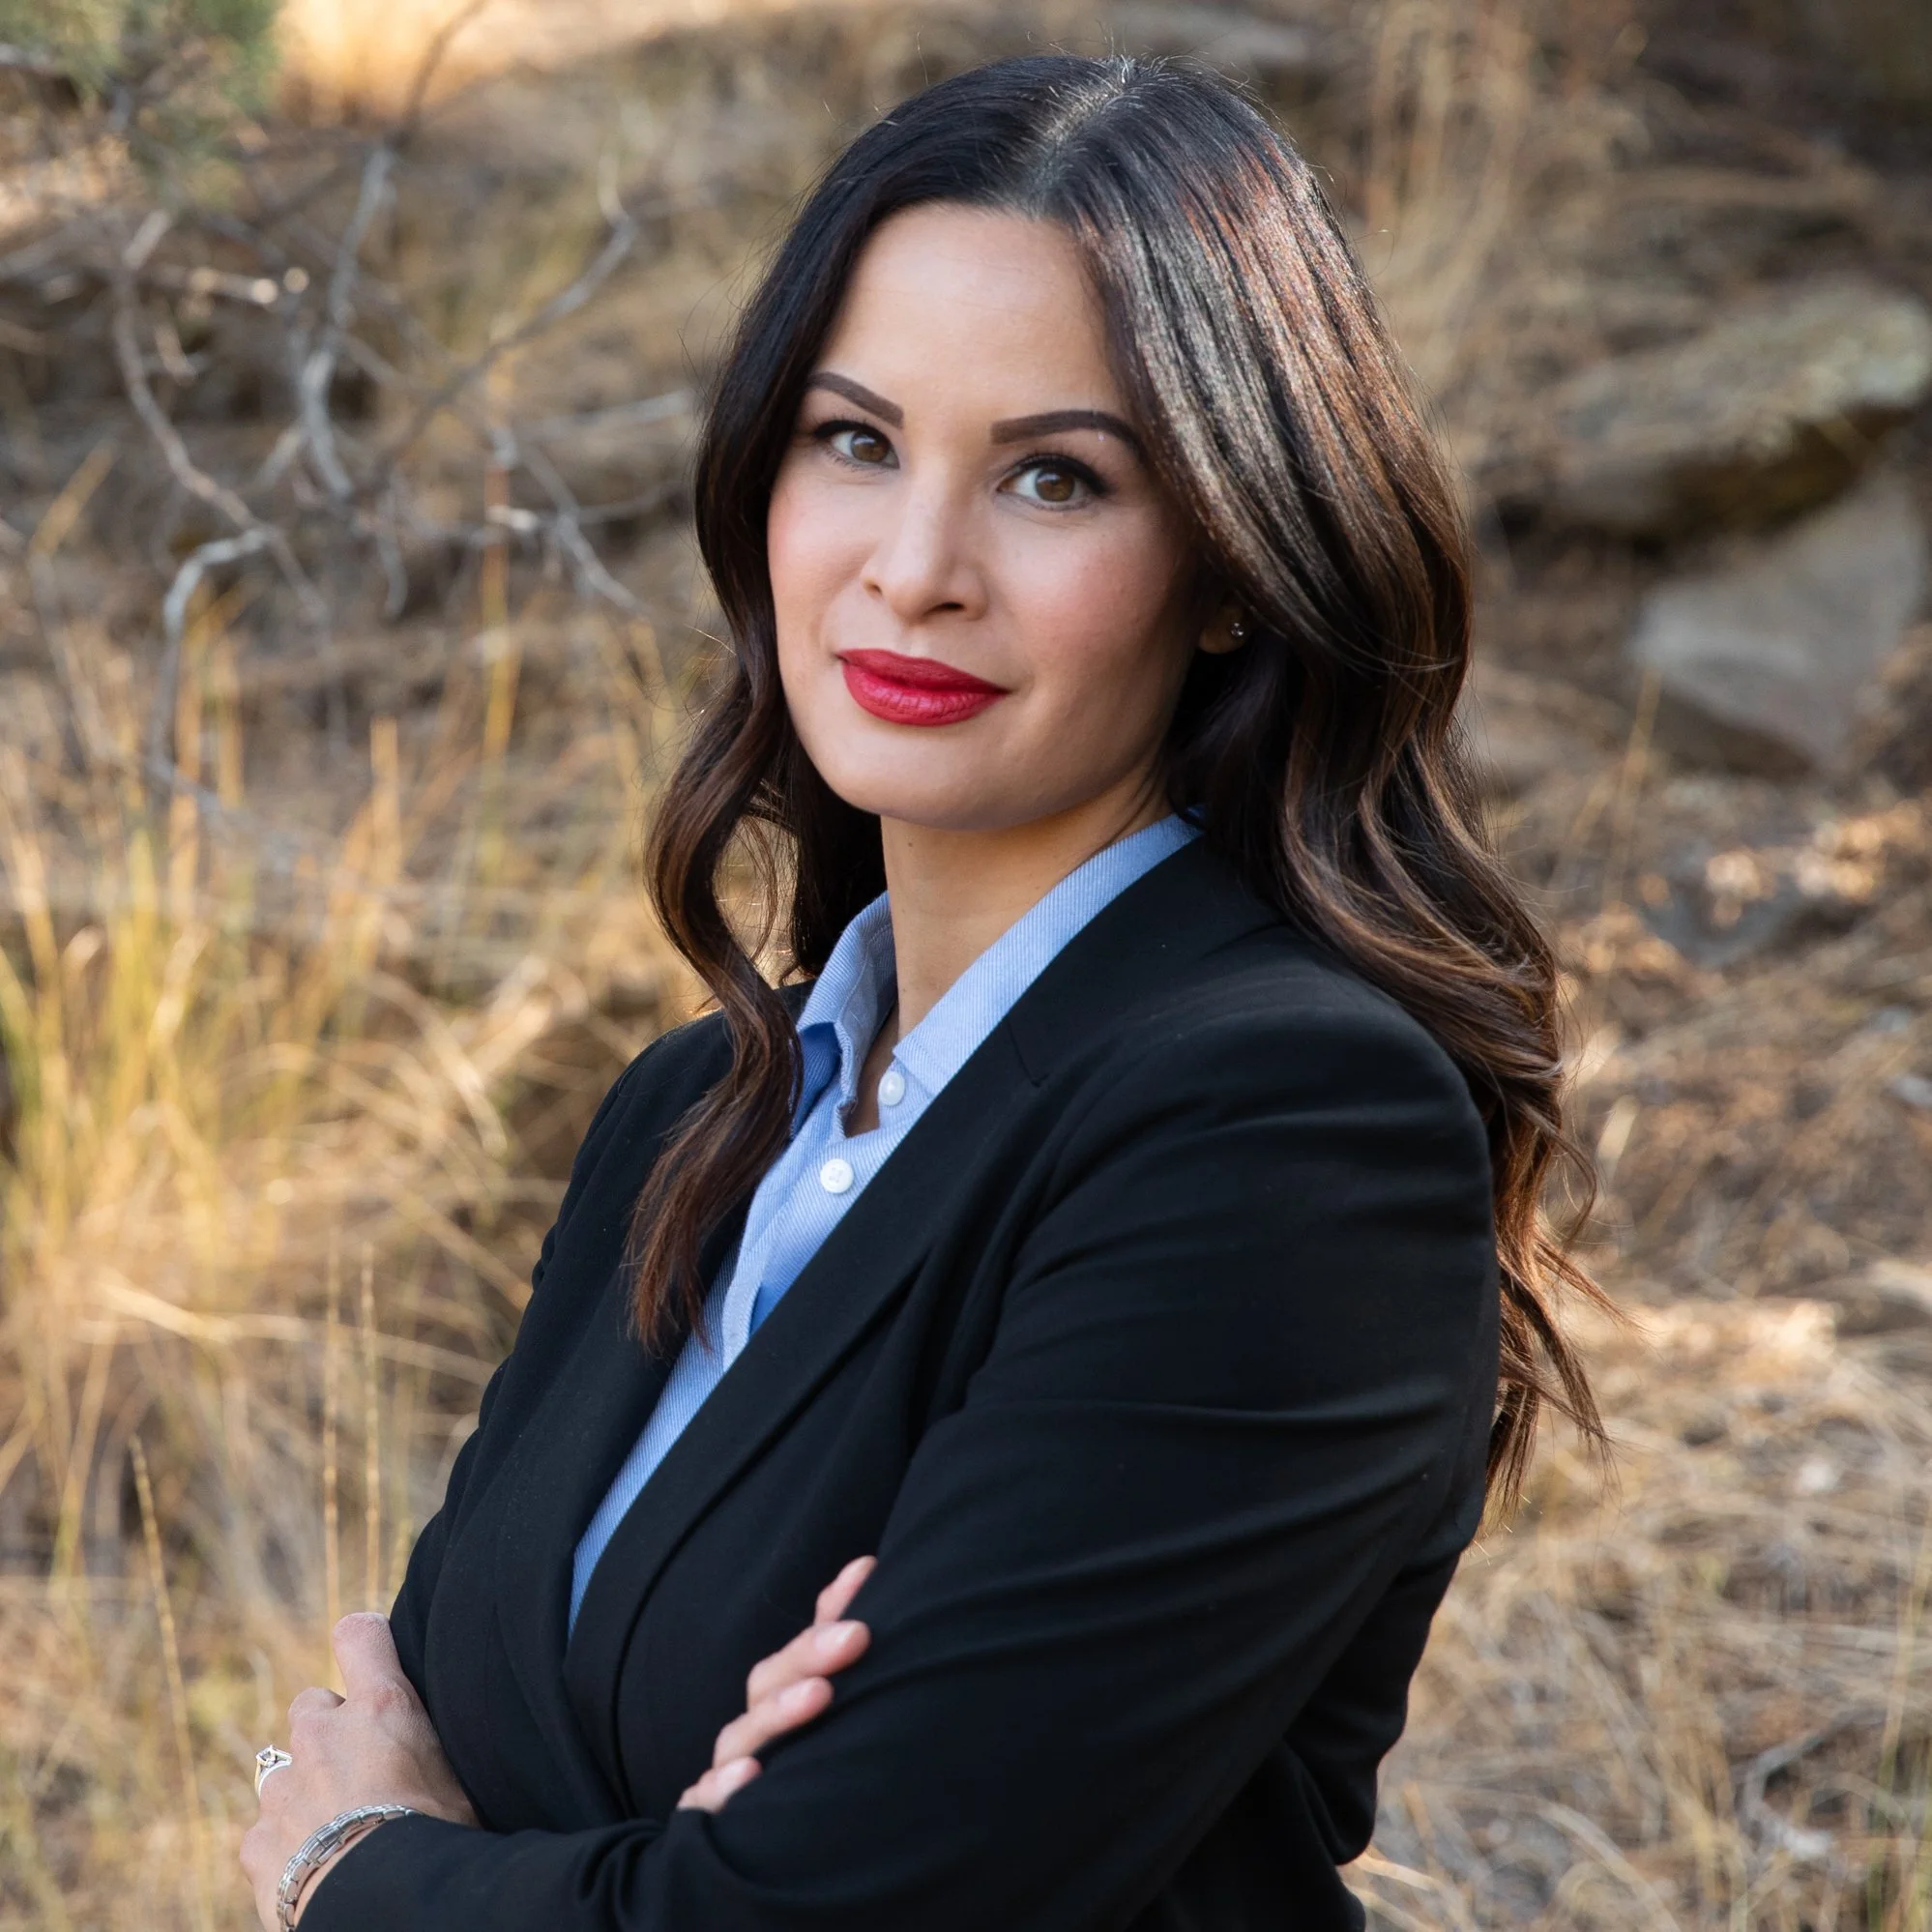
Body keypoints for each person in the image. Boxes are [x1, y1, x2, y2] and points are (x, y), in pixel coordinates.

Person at [241, 50, 1606, 1932]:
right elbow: (448, 1710)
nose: (912, 570)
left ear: (1229, 560)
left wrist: (360, 1879)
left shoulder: (1286, 1128)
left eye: (1055, 478)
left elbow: (807, 1912)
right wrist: (676, 1863)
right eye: (856, 441)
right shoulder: (689, 1117)